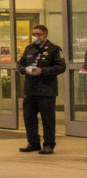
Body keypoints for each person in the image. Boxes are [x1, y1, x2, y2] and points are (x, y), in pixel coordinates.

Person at [17, 24, 66, 154]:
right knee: (29, 118)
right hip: (30, 89)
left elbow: (61, 67)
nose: (36, 37)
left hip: (46, 90)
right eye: (34, 34)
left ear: (45, 34)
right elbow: (20, 64)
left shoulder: (54, 49)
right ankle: (33, 143)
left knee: (47, 118)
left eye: (39, 34)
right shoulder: (29, 48)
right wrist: (24, 69)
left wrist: (42, 71)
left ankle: (49, 144)